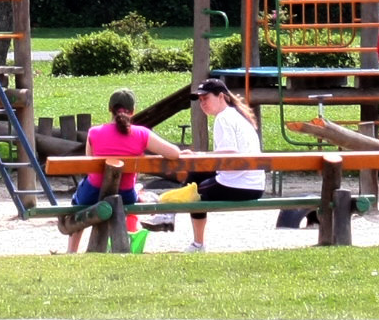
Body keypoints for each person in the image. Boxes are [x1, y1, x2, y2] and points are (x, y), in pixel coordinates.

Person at [66, 87, 182, 254]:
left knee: (77, 203)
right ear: (133, 111)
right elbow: (174, 153)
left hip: (93, 193)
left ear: (109, 109)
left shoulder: (94, 132)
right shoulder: (141, 134)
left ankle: (71, 251)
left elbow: (88, 163)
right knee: (137, 189)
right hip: (125, 195)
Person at [184, 79, 264, 253]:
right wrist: (200, 158)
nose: (202, 103)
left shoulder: (223, 118)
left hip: (240, 185)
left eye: (205, 98)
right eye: (200, 99)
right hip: (254, 183)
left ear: (221, 96)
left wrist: (199, 156)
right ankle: (170, 219)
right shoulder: (236, 115)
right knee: (195, 176)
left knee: (194, 193)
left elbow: (230, 156)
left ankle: (196, 242)